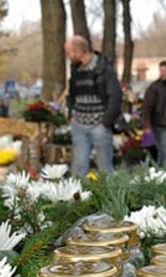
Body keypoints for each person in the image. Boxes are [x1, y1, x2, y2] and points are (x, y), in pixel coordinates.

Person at [65, 36, 122, 177]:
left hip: (99, 125)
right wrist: (71, 113)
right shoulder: (75, 68)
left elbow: (115, 97)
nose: (67, 56)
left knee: (104, 169)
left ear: (78, 51)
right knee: (78, 167)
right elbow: (72, 93)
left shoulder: (104, 69)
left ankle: (109, 197)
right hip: (79, 124)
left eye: (69, 52)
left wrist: (105, 122)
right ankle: (78, 197)